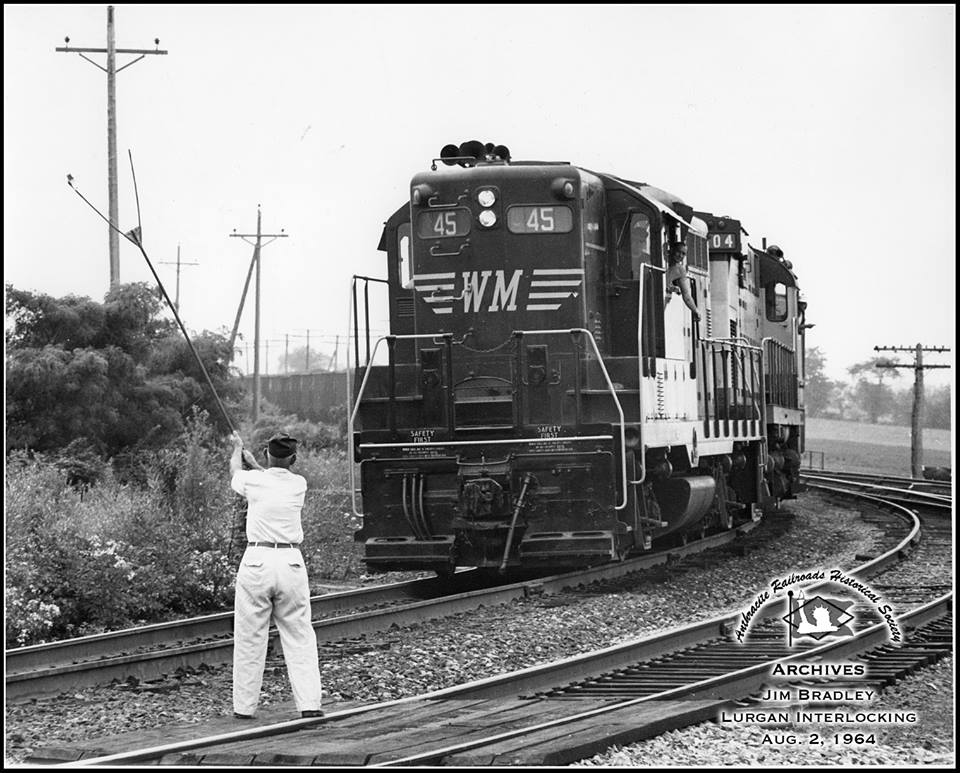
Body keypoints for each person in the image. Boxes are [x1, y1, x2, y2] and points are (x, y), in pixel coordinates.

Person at [229, 430, 324, 720]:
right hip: (291, 563)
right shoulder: (298, 484)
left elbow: (236, 473)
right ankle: (309, 705)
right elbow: (275, 477)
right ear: (293, 458)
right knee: (299, 635)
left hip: (257, 561)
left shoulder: (255, 481)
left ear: (269, 455)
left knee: (250, 637)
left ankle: (244, 708)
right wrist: (258, 464)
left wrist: (238, 450)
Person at [665, 241, 701, 323]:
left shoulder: (680, 270)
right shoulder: (661, 261)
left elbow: (686, 295)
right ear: (672, 250)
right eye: (678, 252)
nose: (680, 256)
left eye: (683, 254)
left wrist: (695, 310)